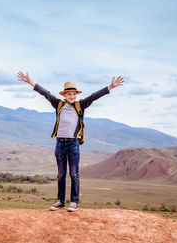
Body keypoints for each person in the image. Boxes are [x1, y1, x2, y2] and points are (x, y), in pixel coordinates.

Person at [17, 71, 124, 212]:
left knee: (74, 173)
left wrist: (110, 87)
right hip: (60, 143)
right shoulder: (59, 104)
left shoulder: (81, 105)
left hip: (73, 144)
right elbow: (45, 93)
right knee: (61, 173)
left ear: (76, 95)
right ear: (64, 95)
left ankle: (74, 202)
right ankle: (60, 201)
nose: (72, 96)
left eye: (74, 94)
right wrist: (30, 81)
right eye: (69, 94)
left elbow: (94, 96)